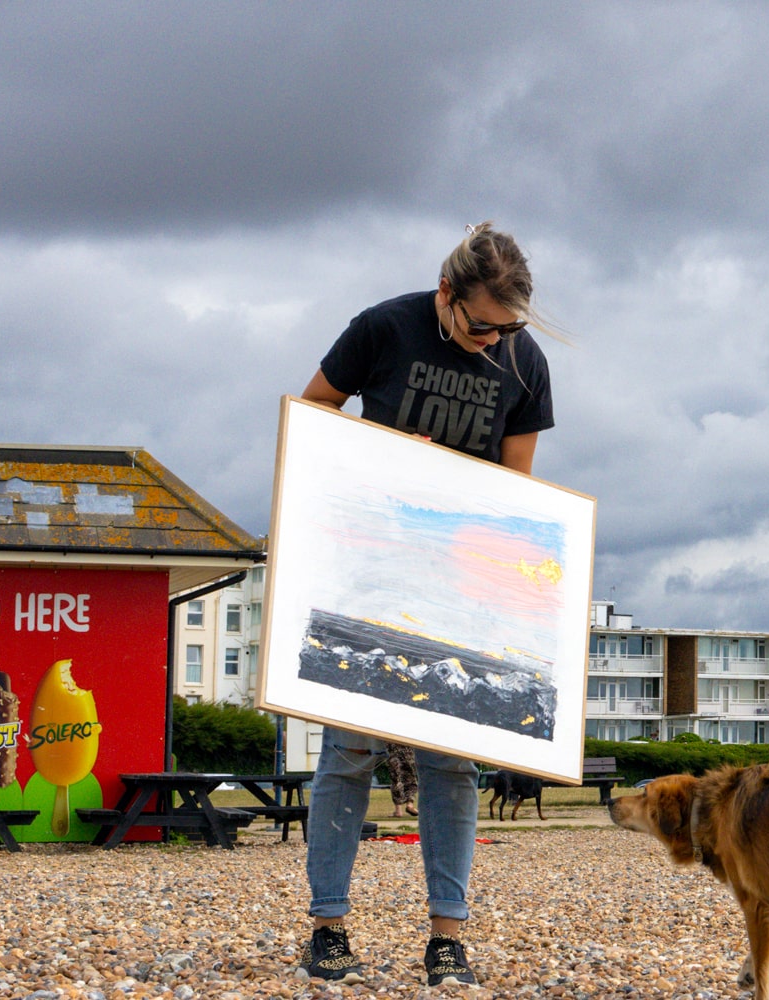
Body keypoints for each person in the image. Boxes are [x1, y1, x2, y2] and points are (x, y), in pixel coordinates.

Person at [299, 222, 556, 987]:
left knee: (452, 761)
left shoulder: (524, 360)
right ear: (447, 295)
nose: (492, 341)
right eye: (481, 324)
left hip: (461, 587)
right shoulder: (383, 327)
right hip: (366, 569)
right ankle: (328, 927)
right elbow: (312, 410)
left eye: (506, 329)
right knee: (348, 754)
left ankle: (448, 936)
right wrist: (385, 462)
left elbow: (518, 490)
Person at [386, 742, 418, 817]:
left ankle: (398, 810)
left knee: (396, 780)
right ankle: (410, 804)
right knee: (411, 779)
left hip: (394, 754)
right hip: (409, 753)